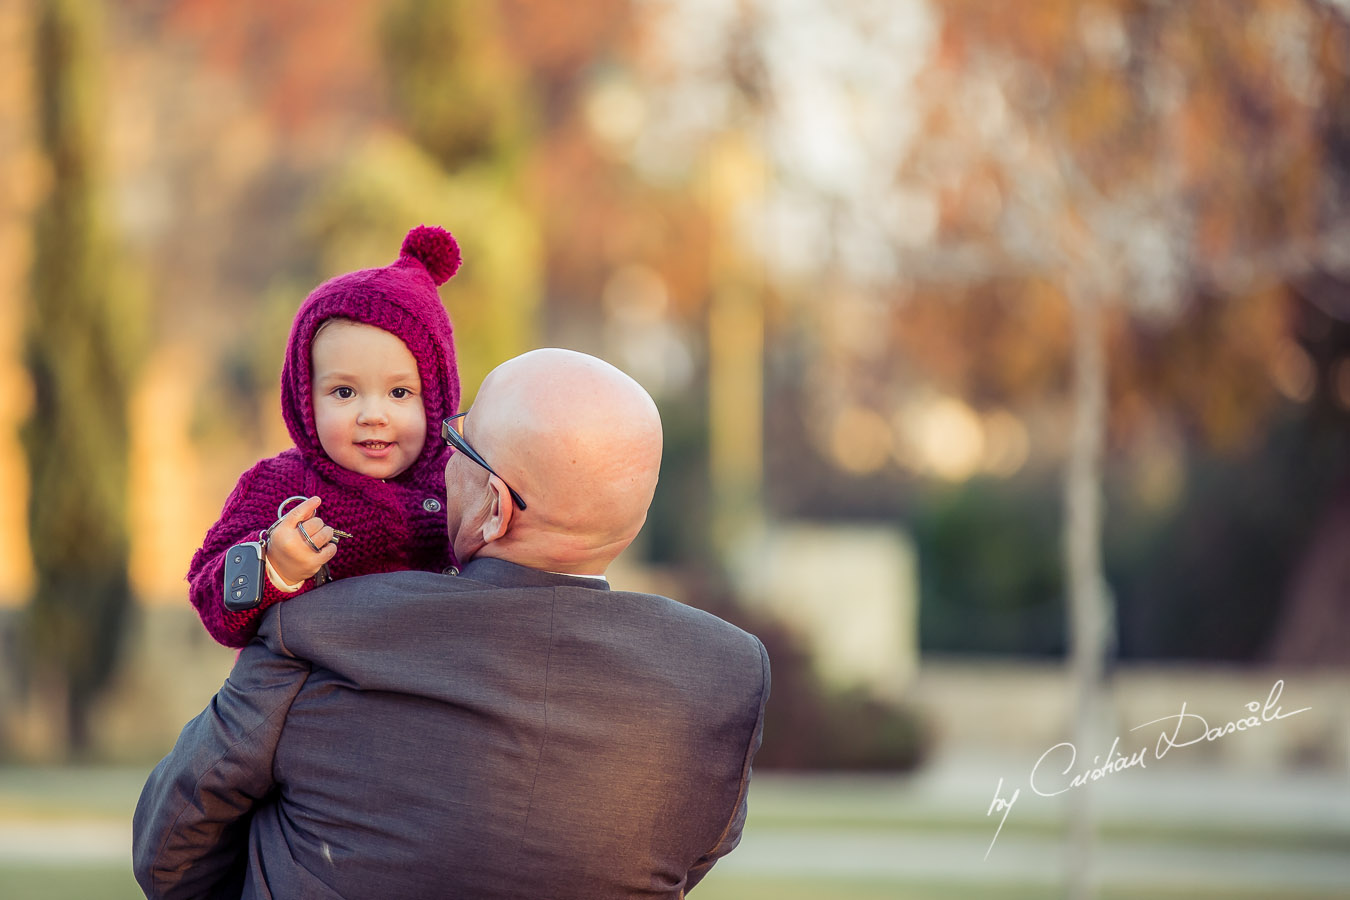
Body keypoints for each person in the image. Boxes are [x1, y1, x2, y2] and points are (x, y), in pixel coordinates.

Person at [133, 349, 771, 900]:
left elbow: (169, 846)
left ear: (495, 509)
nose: (440, 459)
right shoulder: (723, 675)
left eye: (461, 442)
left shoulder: (318, 627)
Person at [186, 224, 465, 647]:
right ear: (304, 397)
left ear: (438, 396)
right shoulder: (282, 487)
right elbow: (209, 596)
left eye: (399, 392)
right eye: (344, 392)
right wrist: (274, 565)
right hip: (324, 700)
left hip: (440, 693)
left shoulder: (465, 480)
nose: (373, 415)